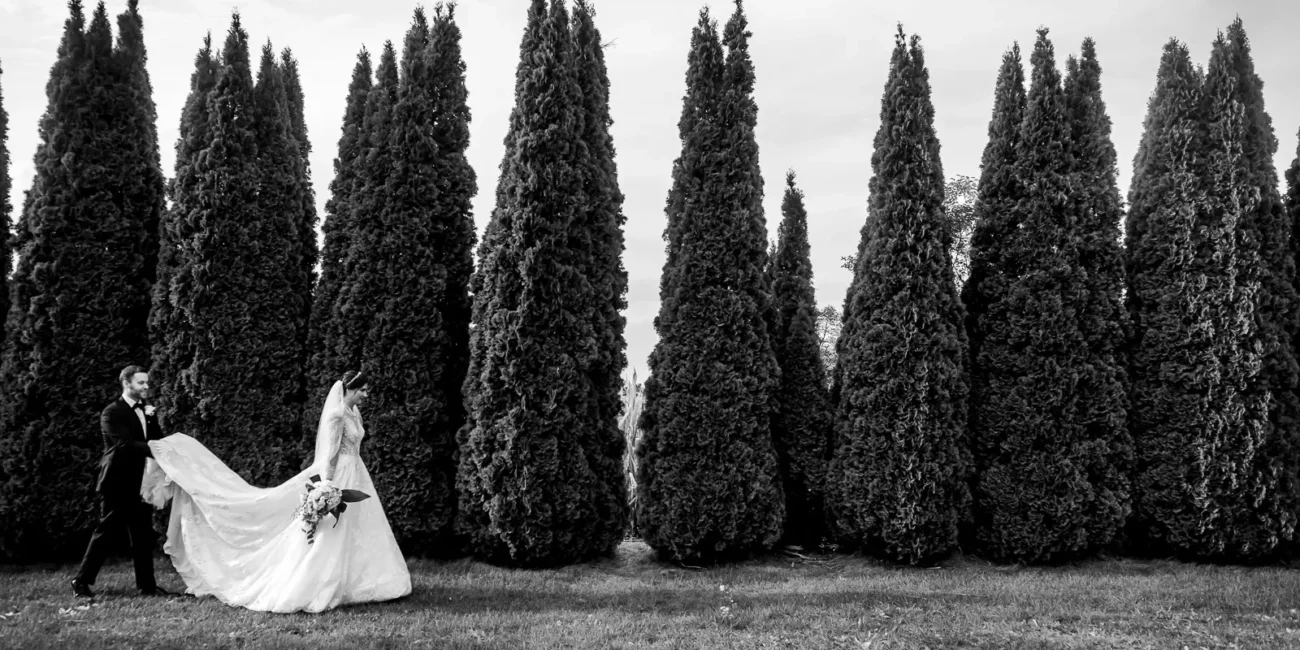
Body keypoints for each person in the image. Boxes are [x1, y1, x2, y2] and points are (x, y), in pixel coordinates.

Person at [143, 370, 412, 613]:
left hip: (357, 472)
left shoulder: (354, 413)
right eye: (362, 390)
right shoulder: (337, 415)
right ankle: (317, 583)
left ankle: (363, 581)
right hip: (339, 474)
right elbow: (330, 454)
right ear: (350, 389)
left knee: (358, 528)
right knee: (331, 532)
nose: (366, 395)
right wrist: (326, 487)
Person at [72, 366, 177, 598]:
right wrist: (156, 449)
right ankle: (80, 581)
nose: (146, 386)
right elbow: (124, 445)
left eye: (147, 382)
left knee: (142, 535)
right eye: (141, 383)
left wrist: (168, 446)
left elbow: (156, 439)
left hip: (142, 482)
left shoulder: (147, 410)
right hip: (117, 481)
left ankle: (147, 586)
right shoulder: (112, 412)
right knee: (106, 532)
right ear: (126, 384)